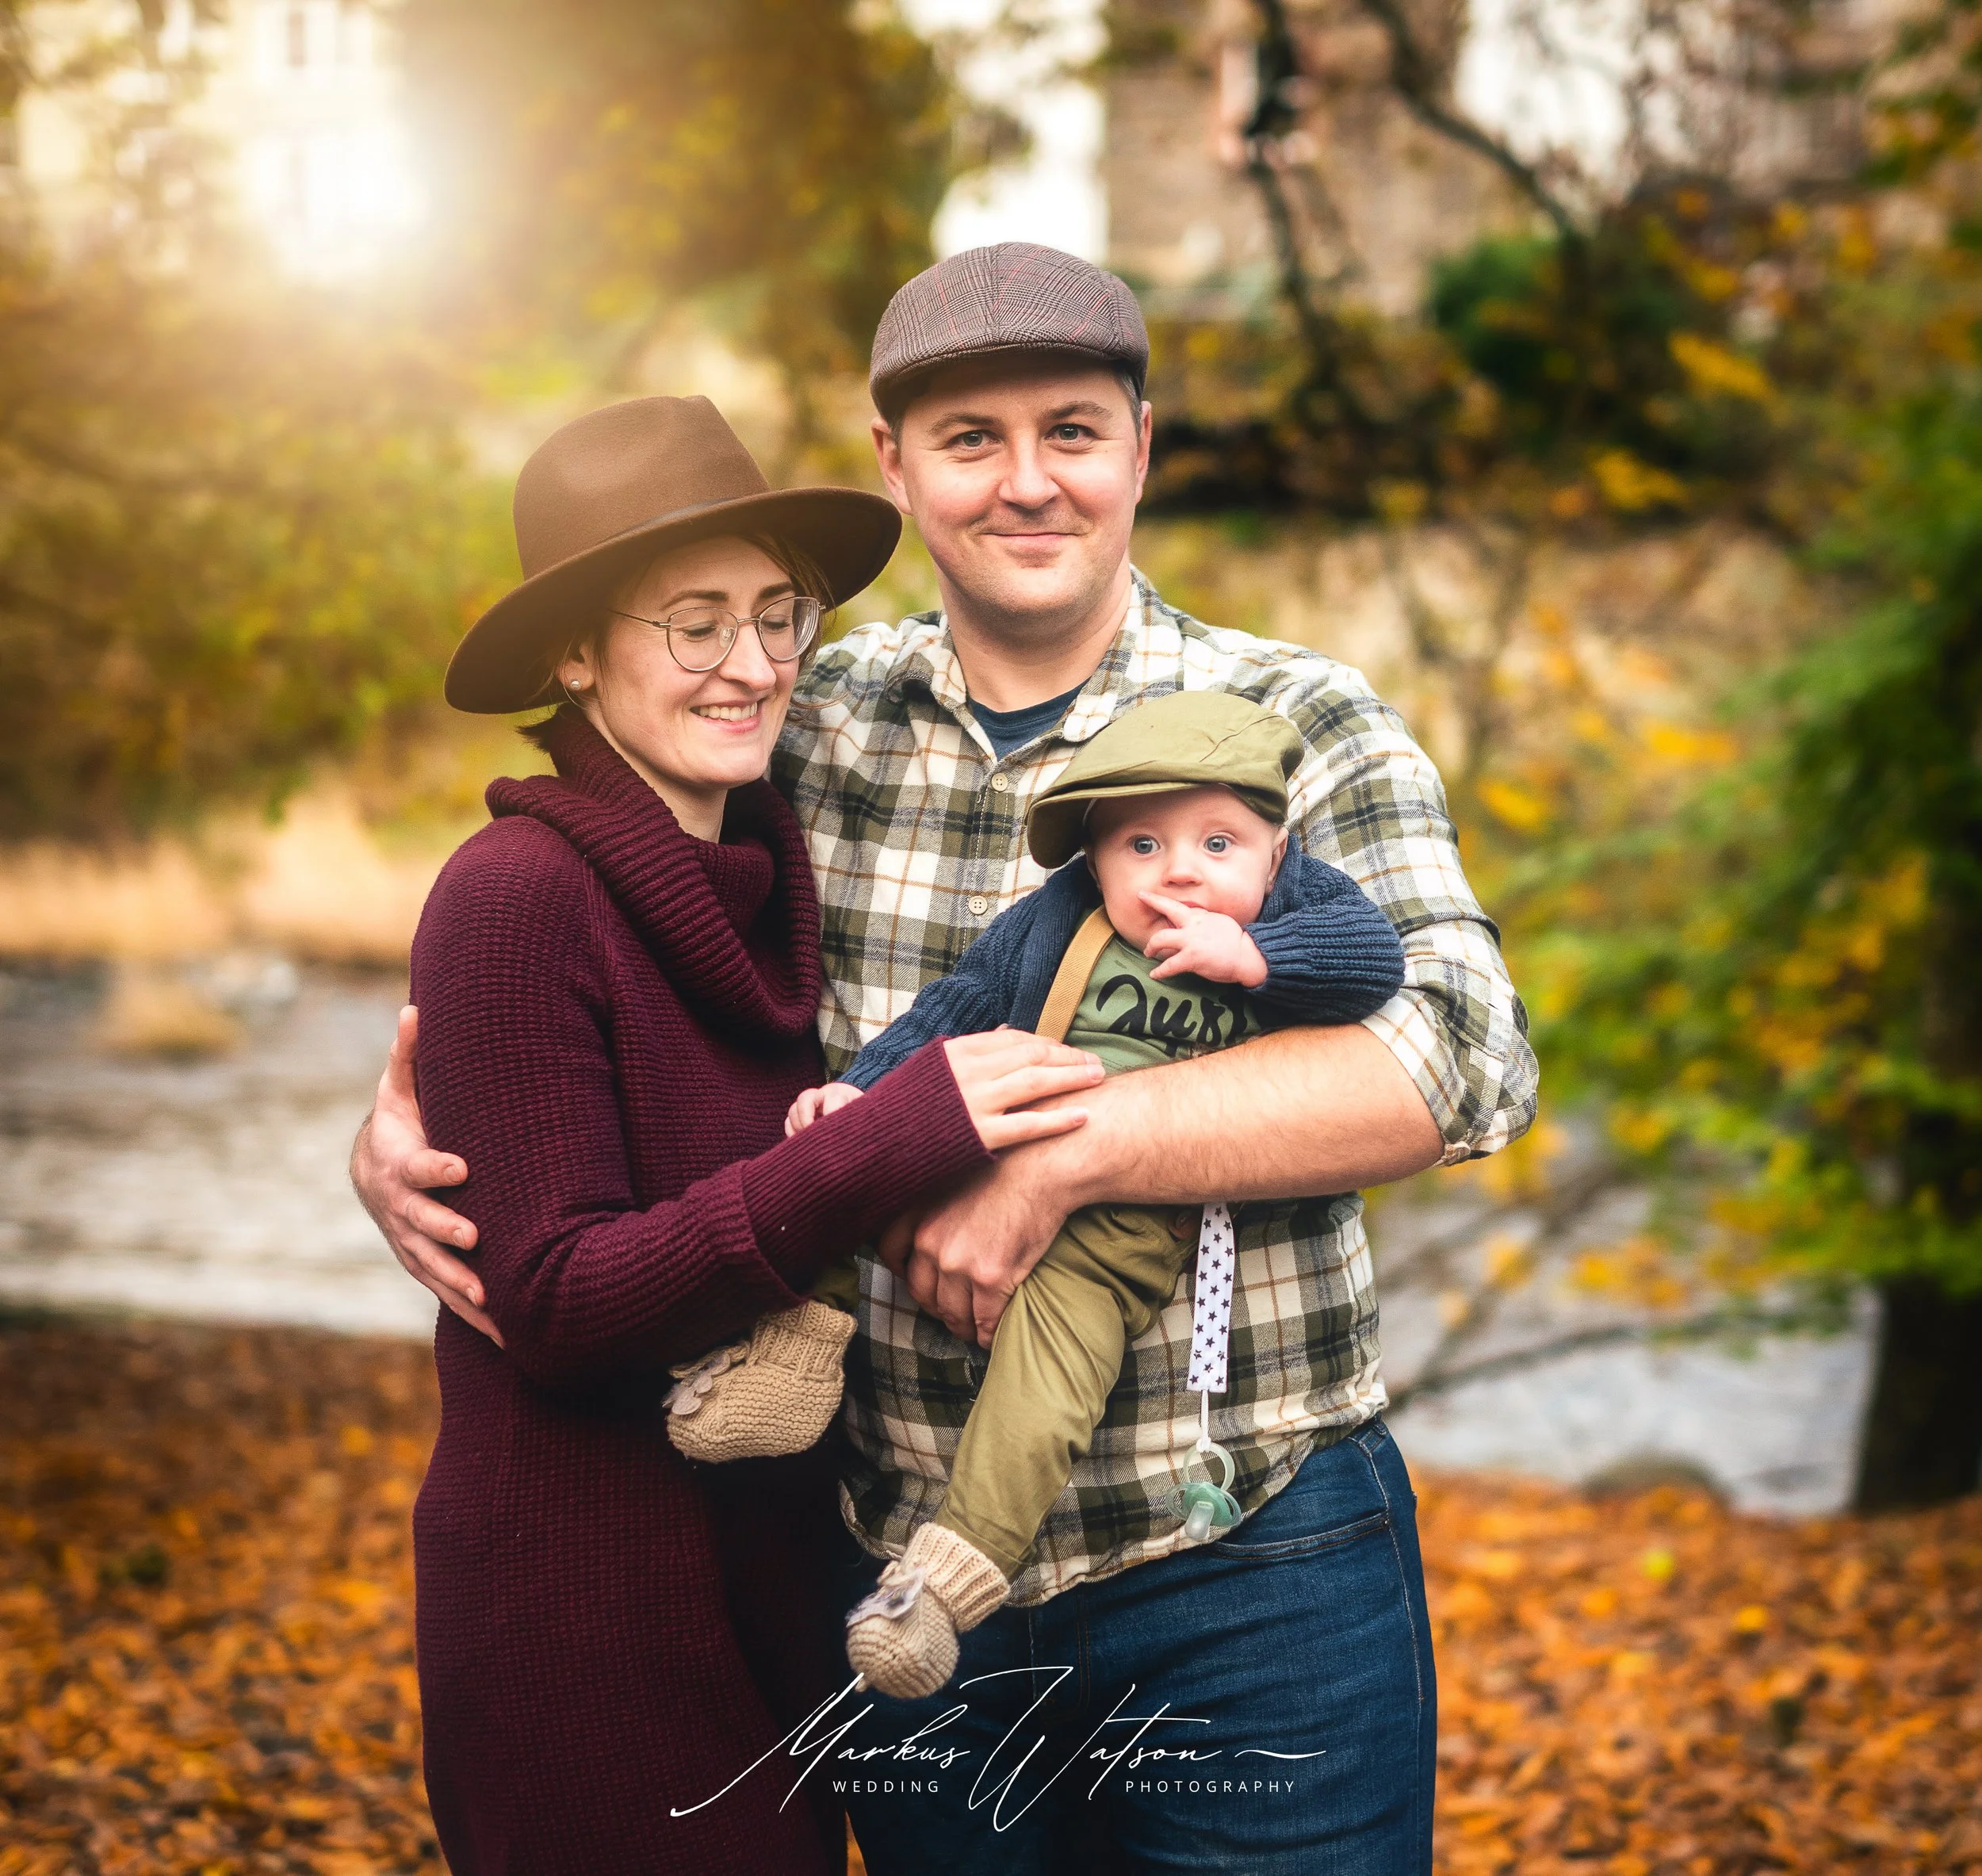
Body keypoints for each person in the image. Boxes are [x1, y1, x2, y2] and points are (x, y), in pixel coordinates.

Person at [355, 243, 1540, 1874]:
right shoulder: (806, 720)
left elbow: (1462, 1056)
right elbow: (582, 910)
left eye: (1073, 430)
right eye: (971, 439)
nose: (1027, 481)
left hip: (1247, 1553)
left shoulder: (1291, 725)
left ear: (1141, 449)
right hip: (900, 1588)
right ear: (894, 466)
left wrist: (1065, 1154)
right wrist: (413, 1138)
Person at [399, 392, 1104, 1876]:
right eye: (694, 622)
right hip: (582, 1617)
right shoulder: (514, 894)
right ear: (574, 652)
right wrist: (902, 1132)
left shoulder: (770, 875)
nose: (757, 663)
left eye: (778, 615)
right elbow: (559, 1302)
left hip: (777, 1593)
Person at [668, 690, 1409, 1702]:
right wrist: (866, 1090)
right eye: (1141, 843)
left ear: (1274, 856)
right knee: (839, 1153)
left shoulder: (1288, 909)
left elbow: (1375, 960)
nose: (1179, 870)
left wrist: (1261, 958)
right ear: (1094, 859)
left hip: (1120, 1230)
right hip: (987, 1140)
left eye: (1218, 843)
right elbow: (958, 1003)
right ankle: (793, 1351)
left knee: (1049, 1379)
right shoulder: (1058, 918)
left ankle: (943, 1578)